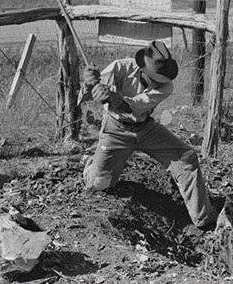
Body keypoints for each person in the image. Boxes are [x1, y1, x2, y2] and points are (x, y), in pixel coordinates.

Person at [81, 40, 217, 230]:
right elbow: (86, 98)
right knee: (99, 184)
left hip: (146, 128)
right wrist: (89, 85)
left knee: (187, 158)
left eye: (161, 78)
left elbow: (133, 107)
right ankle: (91, 164)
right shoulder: (120, 67)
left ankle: (204, 220)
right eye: (154, 76)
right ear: (142, 68)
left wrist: (111, 97)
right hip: (116, 130)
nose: (158, 82)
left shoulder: (166, 87)